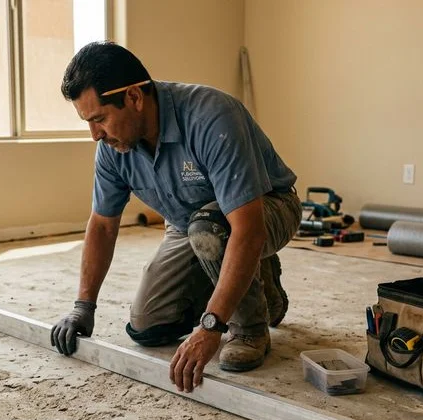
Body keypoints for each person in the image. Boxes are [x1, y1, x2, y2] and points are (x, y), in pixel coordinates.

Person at [50, 41, 301, 393]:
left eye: (99, 119)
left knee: (212, 231)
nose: (96, 135)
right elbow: (104, 226)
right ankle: (259, 281)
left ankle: (249, 328)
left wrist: (212, 326)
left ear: (134, 98)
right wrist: (83, 306)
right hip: (189, 225)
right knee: (148, 327)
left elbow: (247, 229)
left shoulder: (211, 116)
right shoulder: (113, 148)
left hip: (265, 208)